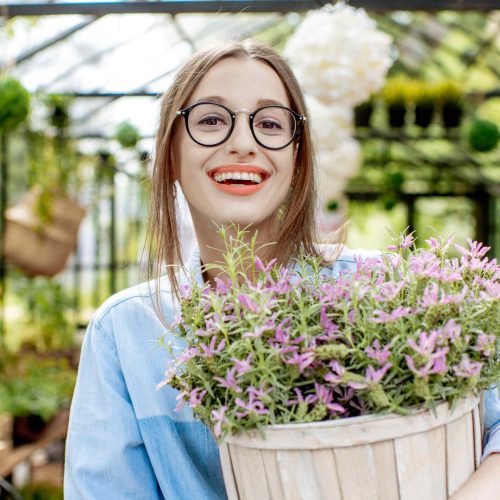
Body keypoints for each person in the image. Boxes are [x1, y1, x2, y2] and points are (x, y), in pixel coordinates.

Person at [64, 40, 499, 499]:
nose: (242, 143)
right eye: (211, 119)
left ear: (297, 159)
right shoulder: (126, 331)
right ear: (170, 154)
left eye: (270, 123)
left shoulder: (388, 291)